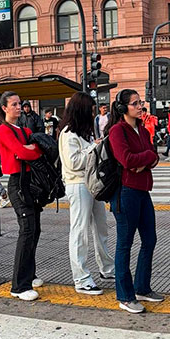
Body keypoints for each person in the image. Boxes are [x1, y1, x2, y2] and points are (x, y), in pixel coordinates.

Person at [106, 88, 161, 313]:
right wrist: (146, 159)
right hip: (125, 192)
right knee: (125, 244)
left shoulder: (142, 130)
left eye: (141, 103)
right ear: (122, 108)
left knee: (150, 239)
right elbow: (127, 160)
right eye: (135, 104)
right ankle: (125, 295)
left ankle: (142, 287)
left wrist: (146, 160)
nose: (140, 107)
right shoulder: (117, 131)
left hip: (143, 190)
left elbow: (154, 155)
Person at [57, 93, 113, 294]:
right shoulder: (68, 133)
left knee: (101, 227)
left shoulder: (83, 132)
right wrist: (94, 149)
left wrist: (93, 146)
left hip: (91, 183)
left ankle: (107, 267)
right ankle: (81, 277)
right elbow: (73, 163)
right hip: (78, 184)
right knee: (80, 231)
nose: (93, 113)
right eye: (90, 109)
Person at [0, 91, 45, 301]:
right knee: (26, 230)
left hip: (30, 181)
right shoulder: (3, 131)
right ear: (4, 108)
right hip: (17, 181)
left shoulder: (25, 130)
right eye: (14, 104)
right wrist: (27, 150)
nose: (18, 107)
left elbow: (39, 150)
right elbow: (24, 153)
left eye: (19, 104)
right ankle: (19, 285)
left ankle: (30, 274)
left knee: (35, 230)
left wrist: (29, 149)